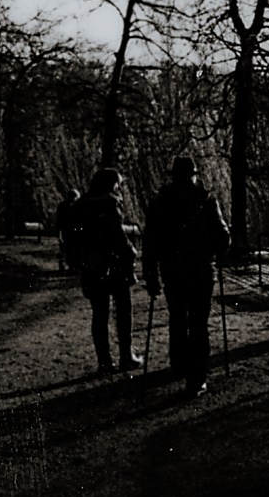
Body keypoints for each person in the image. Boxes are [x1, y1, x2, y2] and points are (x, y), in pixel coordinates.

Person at [141, 156, 230, 397]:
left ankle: (179, 363)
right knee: (198, 323)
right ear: (194, 175)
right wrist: (220, 249)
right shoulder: (206, 200)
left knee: (177, 317)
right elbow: (222, 237)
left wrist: (150, 275)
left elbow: (150, 243)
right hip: (200, 271)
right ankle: (197, 378)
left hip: (172, 271)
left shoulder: (160, 203)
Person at [72, 168, 141, 374]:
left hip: (92, 266)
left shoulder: (81, 205)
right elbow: (116, 235)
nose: (119, 187)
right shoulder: (110, 203)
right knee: (123, 310)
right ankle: (126, 356)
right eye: (118, 183)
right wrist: (131, 251)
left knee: (99, 314)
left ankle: (104, 361)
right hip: (114, 264)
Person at [56, 188, 81, 272]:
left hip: (67, 230)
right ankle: (71, 265)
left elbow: (58, 220)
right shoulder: (75, 206)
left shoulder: (62, 206)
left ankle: (69, 265)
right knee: (71, 248)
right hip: (71, 230)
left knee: (67, 248)